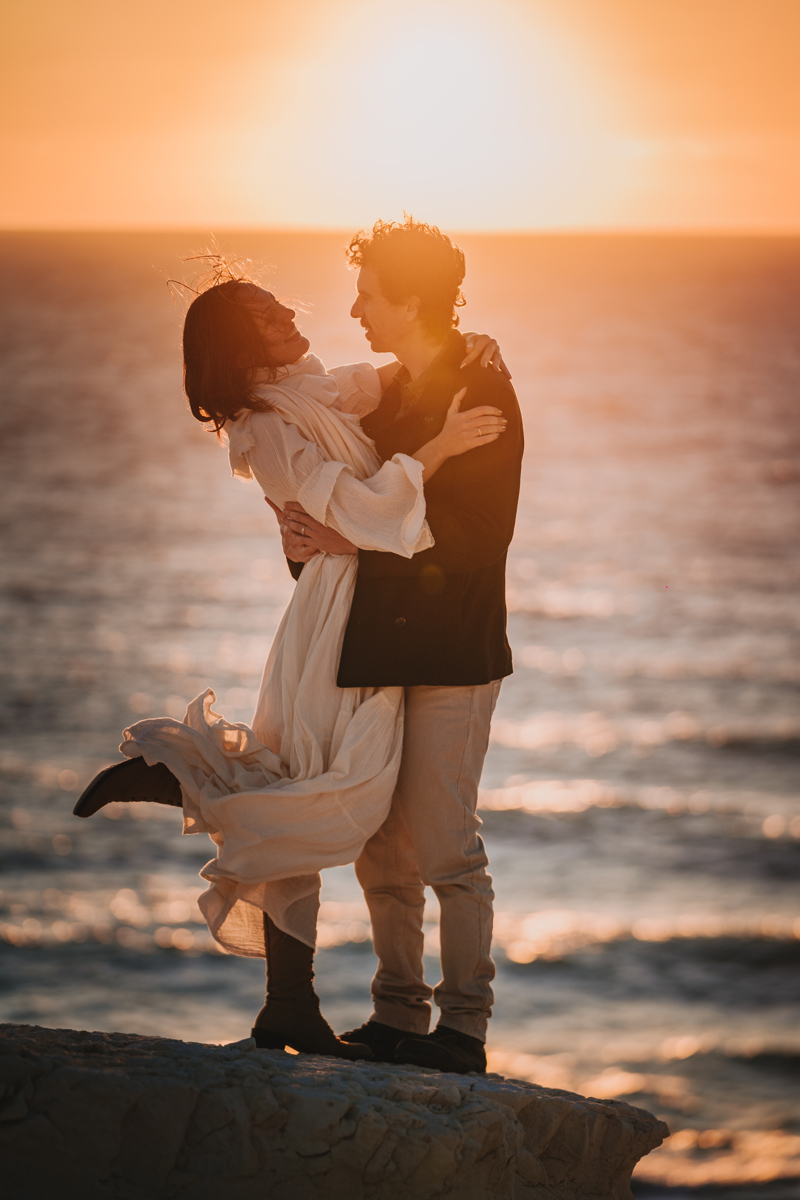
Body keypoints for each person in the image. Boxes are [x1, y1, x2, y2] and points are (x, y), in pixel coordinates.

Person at [71, 260, 507, 1061]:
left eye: (280, 306)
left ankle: (294, 997)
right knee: (323, 790)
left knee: (333, 790)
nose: (292, 318)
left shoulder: (306, 388)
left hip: (368, 607)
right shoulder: (265, 424)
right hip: (338, 618)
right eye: (268, 318)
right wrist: (438, 448)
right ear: (243, 347)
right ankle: (198, 792)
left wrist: (459, 342)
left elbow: (374, 384)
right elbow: (367, 509)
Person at [273, 216, 523, 1074]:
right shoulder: (386, 392)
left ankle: (463, 1032)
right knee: (383, 847)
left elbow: (482, 533)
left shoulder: (481, 387)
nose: (356, 308)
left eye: (370, 294)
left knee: (449, 846)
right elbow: (344, 506)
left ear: (411, 299)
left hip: (453, 651)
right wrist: (308, 533)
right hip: (377, 646)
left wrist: (359, 536)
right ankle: (397, 1016)